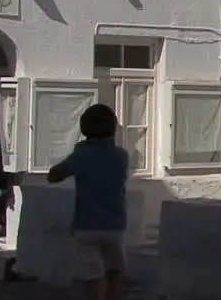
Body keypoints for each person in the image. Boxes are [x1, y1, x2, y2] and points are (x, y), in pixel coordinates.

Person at [47, 103, 130, 300]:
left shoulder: (81, 155)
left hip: (86, 224)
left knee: (92, 276)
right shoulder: (121, 156)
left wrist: (79, 150)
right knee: (114, 273)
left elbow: (54, 175)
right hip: (115, 225)